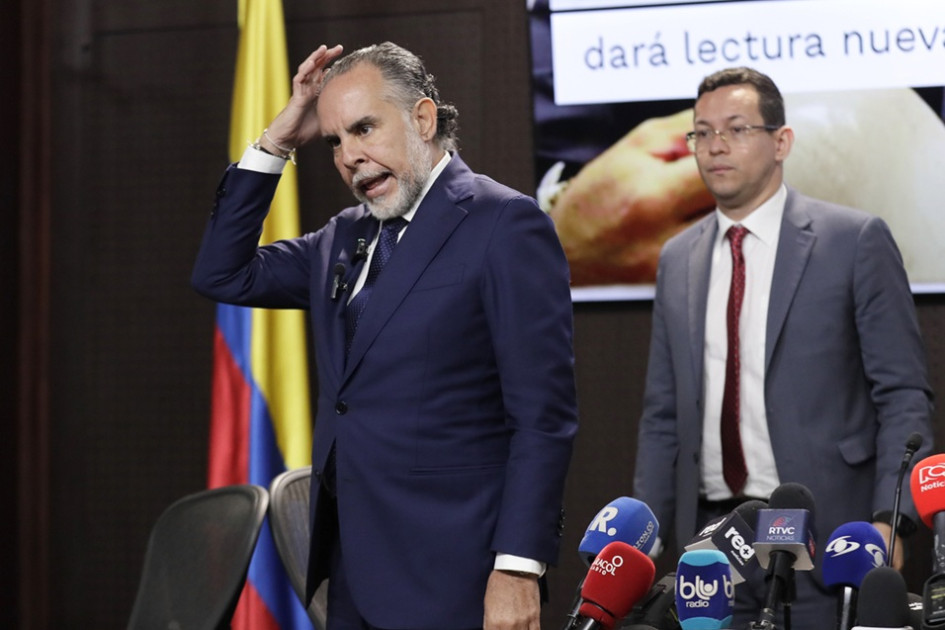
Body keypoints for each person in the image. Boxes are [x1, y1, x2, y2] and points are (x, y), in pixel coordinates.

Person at [192, 42, 578, 630]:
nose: (350, 157)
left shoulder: (505, 224)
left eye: (365, 128)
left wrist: (518, 568)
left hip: (457, 579)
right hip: (352, 576)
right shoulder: (342, 238)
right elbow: (222, 271)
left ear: (423, 119)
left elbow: (542, 418)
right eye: (335, 141)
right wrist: (277, 141)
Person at [632, 67, 934, 626]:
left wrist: (893, 521)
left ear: (782, 141)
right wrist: (646, 538)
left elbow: (902, 394)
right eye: (701, 132)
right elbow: (662, 417)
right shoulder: (678, 258)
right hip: (712, 542)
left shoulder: (853, 240)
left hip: (828, 532)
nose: (715, 145)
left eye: (737, 128)